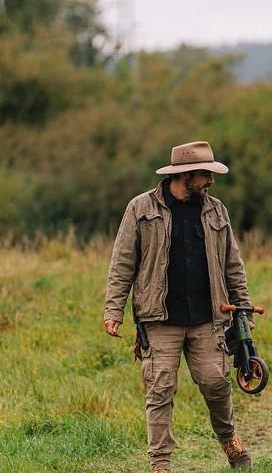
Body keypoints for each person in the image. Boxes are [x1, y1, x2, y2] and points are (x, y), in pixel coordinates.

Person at [103, 140, 254, 473]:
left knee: (216, 382)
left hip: (208, 316)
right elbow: (122, 263)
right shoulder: (140, 208)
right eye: (204, 175)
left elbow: (233, 264)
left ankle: (230, 440)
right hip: (159, 318)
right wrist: (114, 311)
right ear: (185, 174)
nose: (210, 182)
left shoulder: (216, 210)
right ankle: (161, 462)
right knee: (160, 387)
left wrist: (242, 308)